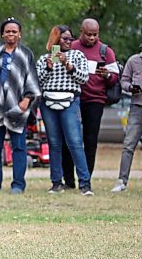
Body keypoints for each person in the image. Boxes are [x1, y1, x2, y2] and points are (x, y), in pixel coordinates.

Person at [0, 17, 41, 194]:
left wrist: (27, 99)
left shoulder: (26, 54)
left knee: (19, 147)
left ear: (20, 34)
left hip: (18, 108)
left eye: (14, 31)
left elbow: (32, 79)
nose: (11, 34)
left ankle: (18, 184)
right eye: (7, 31)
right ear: (2, 34)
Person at [36, 25, 93, 196]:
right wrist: (48, 67)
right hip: (48, 102)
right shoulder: (44, 58)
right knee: (54, 143)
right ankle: (56, 182)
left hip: (70, 101)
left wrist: (68, 65)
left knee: (75, 142)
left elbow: (84, 78)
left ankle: (85, 183)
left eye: (70, 38)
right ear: (56, 40)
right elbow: (38, 80)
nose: (69, 42)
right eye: (65, 39)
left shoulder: (77, 55)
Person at [64, 18, 119, 186]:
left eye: (95, 35)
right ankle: (68, 179)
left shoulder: (105, 51)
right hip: (72, 98)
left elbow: (115, 77)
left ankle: (85, 178)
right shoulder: (71, 47)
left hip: (95, 99)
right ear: (81, 32)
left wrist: (107, 75)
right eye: (88, 34)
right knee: (70, 139)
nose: (92, 38)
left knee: (90, 140)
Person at [111, 33, 142, 195]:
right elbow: (123, 80)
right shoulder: (133, 60)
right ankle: (122, 181)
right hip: (136, 106)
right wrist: (130, 87)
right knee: (128, 145)